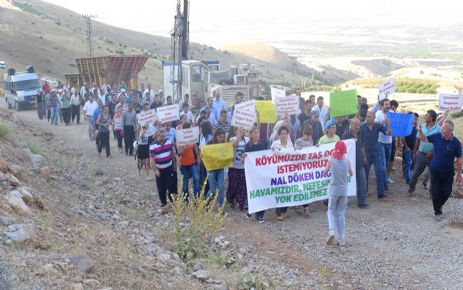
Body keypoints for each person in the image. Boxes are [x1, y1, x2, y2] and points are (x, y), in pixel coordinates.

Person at [417, 120, 462, 220]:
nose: (441, 129)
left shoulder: (456, 143)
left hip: (448, 172)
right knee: (435, 191)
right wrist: (420, 130)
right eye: (442, 127)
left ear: (450, 130)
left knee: (447, 192)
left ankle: (439, 205)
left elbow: (459, 161)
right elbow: (424, 139)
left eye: (444, 128)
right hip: (435, 170)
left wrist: (459, 174)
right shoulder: (437, 136)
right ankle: (437, 212)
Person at [324, 140, 353, 247]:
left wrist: (331, 158)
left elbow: (324, 172)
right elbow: (351, 173)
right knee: (340, 214)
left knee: (331, 210)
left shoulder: (332, 161)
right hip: (344, 190)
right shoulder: (347, 161)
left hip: (334, 190)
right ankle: (342, 239)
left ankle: (332, 231)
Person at [408, 110, 441, 195]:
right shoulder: (421, 127)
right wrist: (415, 153)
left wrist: (433, 152)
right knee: (415, 173)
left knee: (434, 175)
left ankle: (432, 194)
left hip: (434, 156)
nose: (424, 117)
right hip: (421, 154)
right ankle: (411, 189)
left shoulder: (438, 129)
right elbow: (417, 141)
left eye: (426, 116)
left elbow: (440, 144)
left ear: (432, 118)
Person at [361, 111, 391, 199]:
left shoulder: (378, 126)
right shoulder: (362, 127)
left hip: (376, 152)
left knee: (380, 171)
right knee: (365, 173)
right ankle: (364, 192)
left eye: (370, 117)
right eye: (367, 116)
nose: (368, 118)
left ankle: (381, 193)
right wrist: (363, 155)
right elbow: (360, 141)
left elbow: (388, 132)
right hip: (366, 153)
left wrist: (388, 124)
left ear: (374, 118)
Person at [243, 126, 269, 223]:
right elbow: (243, 161)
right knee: (253, 193)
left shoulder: (263, 144)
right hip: (252, 176)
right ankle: (250, 209)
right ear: (251, 134)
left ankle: (260, 215)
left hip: (262, 174)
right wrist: (244, 157)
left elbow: (268, 156)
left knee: (262, 193)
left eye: (258, 133)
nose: (257, 135)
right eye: (255, 133)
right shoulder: (248, 146)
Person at [150, 127, 177, 213]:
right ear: (157, 136)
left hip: (169, 168)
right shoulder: (153, 145)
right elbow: (152, 160)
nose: (162, 138)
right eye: (160, 137)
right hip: (159, 169)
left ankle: (173, 202)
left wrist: (174, 163)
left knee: (171, 184)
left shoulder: (169, 141)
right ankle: (163, 204)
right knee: (161, 188)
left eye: (163, 136)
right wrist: (156, 170)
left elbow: (172, 153)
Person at [343, 118, 368, 208]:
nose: (358, 127)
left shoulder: (360, 134)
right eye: (356, 125)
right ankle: (344, 201)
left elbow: (361, 146)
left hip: (359, 162)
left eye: (359, 125)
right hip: (349, 163)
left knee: (363, 182)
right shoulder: (346, 135)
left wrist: (364, 157)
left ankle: (361, 202)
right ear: (351, 125)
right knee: (348, 182)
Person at [271, 125, 293, 220]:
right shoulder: (275, 144)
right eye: (282, 133)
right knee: (280, 191)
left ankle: (285, 211)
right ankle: (278, 212)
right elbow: (270, 155)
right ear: (279, 135)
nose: (284, 135)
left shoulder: (290, 144)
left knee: (288, 191)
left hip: (288, 171)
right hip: (278, 171)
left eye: (285, 133)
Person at [227, 127, 249, 210]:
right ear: (235, 131)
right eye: (240, 129)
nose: (242, 131)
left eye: (243, 129)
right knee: (233, 185)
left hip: (243, 167)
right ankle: (232, 199)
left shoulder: (246, 139)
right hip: (234, 167)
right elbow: (234, 145)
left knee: (243, 185)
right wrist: (238, 136)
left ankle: (241, 202)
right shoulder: (232, 139)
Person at [295, 124, 314, 215]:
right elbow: (293, 152)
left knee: (306, 187)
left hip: (307, 168)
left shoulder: (311, 141)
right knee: (299, 187)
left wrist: (317, 148)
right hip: (299, 168)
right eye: (307, 134)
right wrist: (296, 149)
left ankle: (306, 207)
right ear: (303, 133)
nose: (308, 137)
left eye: (309, 135)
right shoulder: (298, 141)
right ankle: (299, 205)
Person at [178, 122, 200, 200]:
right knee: (185, 182)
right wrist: (185, 148)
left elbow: (195, 147)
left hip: (192, 163)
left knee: (196, 178)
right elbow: (180, 152)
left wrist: (197, 157)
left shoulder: (192, 137)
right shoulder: (180, 138)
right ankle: (185, 198)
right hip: (183, 164)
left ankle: (196, 196)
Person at [375, 99, 392, 191]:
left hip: (389, 142)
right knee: (383, 163)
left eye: (388, 104)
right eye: (386, 104)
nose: (388, 106)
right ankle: (383, 184)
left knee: (387, 163)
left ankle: (384, 181)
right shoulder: (378, 114)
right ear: (382, 106)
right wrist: (383, 123)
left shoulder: (392, 113)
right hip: (380, 141)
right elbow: (375, 126)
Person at [206, 129, 227, 207]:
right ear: (216, 136)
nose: (222, 139)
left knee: (221, 187)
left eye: (223, 137)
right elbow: (204, 154)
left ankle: (220, 205)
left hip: (220, 169)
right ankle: (207, 202)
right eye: (220, 137)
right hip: (211, 170)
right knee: (212, 189)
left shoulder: (224, 144)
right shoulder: (209, 143)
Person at [401, 113, 418, 184]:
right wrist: (406, 147)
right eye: (413, 118)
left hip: (414, 148)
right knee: (408, 162)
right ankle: (408, 178)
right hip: (407, 148)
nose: (414, 120)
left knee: (413, 163)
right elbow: (402, 138)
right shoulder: (406, 126)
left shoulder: (416, 127)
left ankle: (406, 174)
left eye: (415, 119)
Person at [199, 121, 213, 194]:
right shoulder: (201, 136)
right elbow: (200, 148)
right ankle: (205, 191)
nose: (199, 129)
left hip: (208, 161)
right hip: (202, 160)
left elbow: (211, 150)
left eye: (200, 127)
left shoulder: (210, 137)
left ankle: (209, 192)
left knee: (208, 176)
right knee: (203, 176)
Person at [387, 100, 399, 183]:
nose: (393, 110)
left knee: (391, 159)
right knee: (386, 159)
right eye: (392, 108)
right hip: (386, 140)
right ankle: (384, 176)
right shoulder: (385, 115)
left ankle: (387, 176)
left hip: (393, 139)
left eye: (394, 109)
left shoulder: (395, 115)